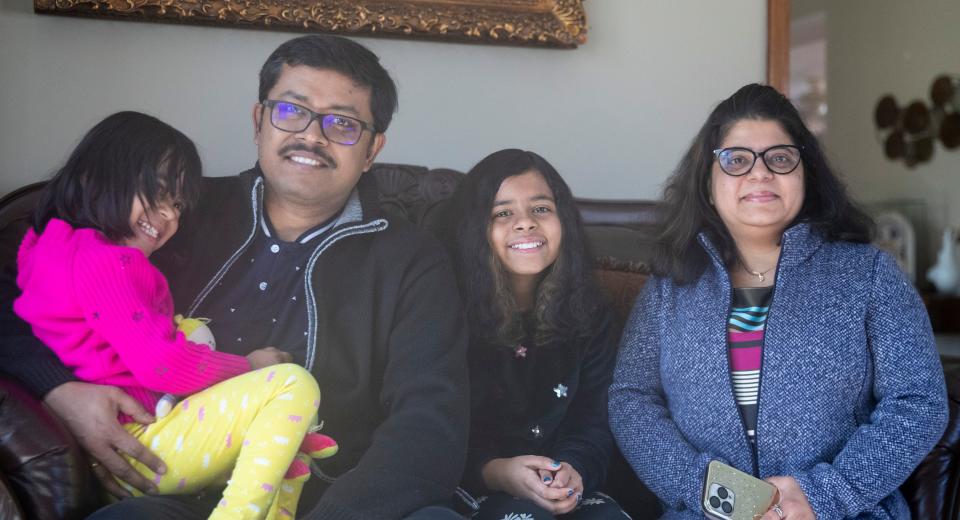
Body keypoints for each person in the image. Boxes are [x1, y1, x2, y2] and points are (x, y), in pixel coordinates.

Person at [0, 34, 469, 519]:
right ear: (258, 121)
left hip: (335, 495)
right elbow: (28, 291)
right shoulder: (172, 212)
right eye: (292, 110)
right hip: (177, 495)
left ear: (372, 150)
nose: (312, 136)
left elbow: (430, 420)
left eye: (343, 124)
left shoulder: (412, 258)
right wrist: (58, 389)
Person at [608, 83, 948, 519]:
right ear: (709, 185)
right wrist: (715, 493)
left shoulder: (870, 276)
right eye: (736, 160)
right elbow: (631, 399)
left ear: (806, 175)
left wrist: (826, 494)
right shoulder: (669, 287)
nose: (760, 173)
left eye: (781, 158)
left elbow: (919, 399)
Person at [13, 110, 337, 519]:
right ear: (97, 177)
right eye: (158, 192)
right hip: (150, 442)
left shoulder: (42, 247)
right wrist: (249, 366)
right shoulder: (110, 263)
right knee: (293, 385)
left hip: (130, 449)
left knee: (289, 451)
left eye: (178, 203)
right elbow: (161, 364)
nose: (169, 216)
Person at [441, 149, 627, 519]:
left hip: (565, 483)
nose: (525, 223)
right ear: (475, 230)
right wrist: (498, 473)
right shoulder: (444, 311)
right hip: (468, 484)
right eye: (503, 213)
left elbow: (594, 419)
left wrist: (574, 469)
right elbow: (434, 427)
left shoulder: (591, 313)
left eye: (541, 209)